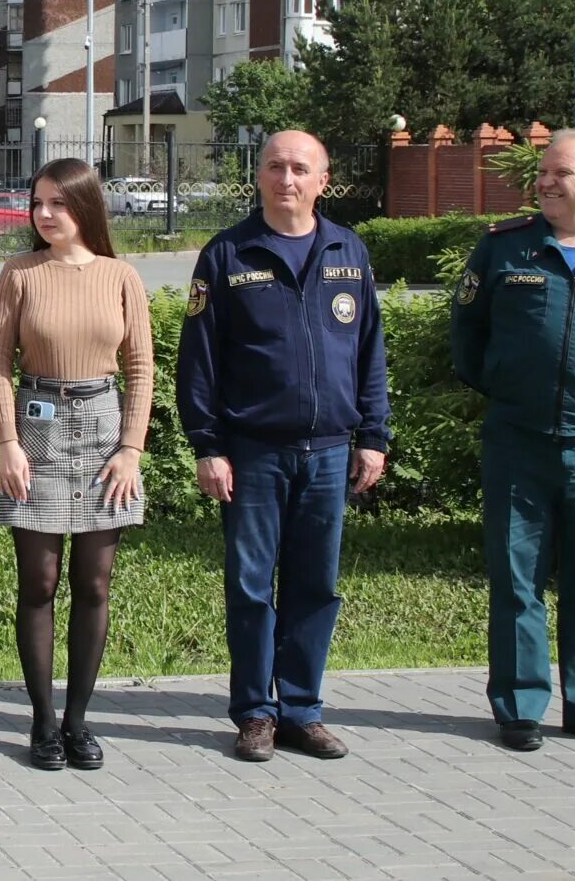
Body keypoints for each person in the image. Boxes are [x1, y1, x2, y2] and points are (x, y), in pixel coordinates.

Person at [177, 130, 389, 762]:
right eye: (274, 166)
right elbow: (199, 362)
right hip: (251, 452)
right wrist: (207, 445)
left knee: (315, 584)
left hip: (328, 450)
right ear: (259, 177)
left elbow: (370, 353)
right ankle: (254, 714)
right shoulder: (227, 254)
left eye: (300, 168)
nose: (286, 178)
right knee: (250, 586)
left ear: (324, 179)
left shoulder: (347, 249)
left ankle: (301, 709)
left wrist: (372, 436)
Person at [449, 128, 575, 753]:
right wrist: (502, 386)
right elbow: (467, 335)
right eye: (543, 171)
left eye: (561, 173)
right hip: (517, 439)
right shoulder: (505, 248)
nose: (544, 181)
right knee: (516, 578)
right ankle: (520, 705)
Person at [0, 159, 153, 771]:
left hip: (103, 430)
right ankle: (43, 721)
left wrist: (131, 449)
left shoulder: (120, 276)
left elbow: (140, 368)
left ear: (85, 206)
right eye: (37, 203)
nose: (45, 214)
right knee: (40, 582)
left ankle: (79, 720)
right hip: (38, 430)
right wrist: (8, 443)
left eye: (58, 202)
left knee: (94, 583)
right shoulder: (20, 273)